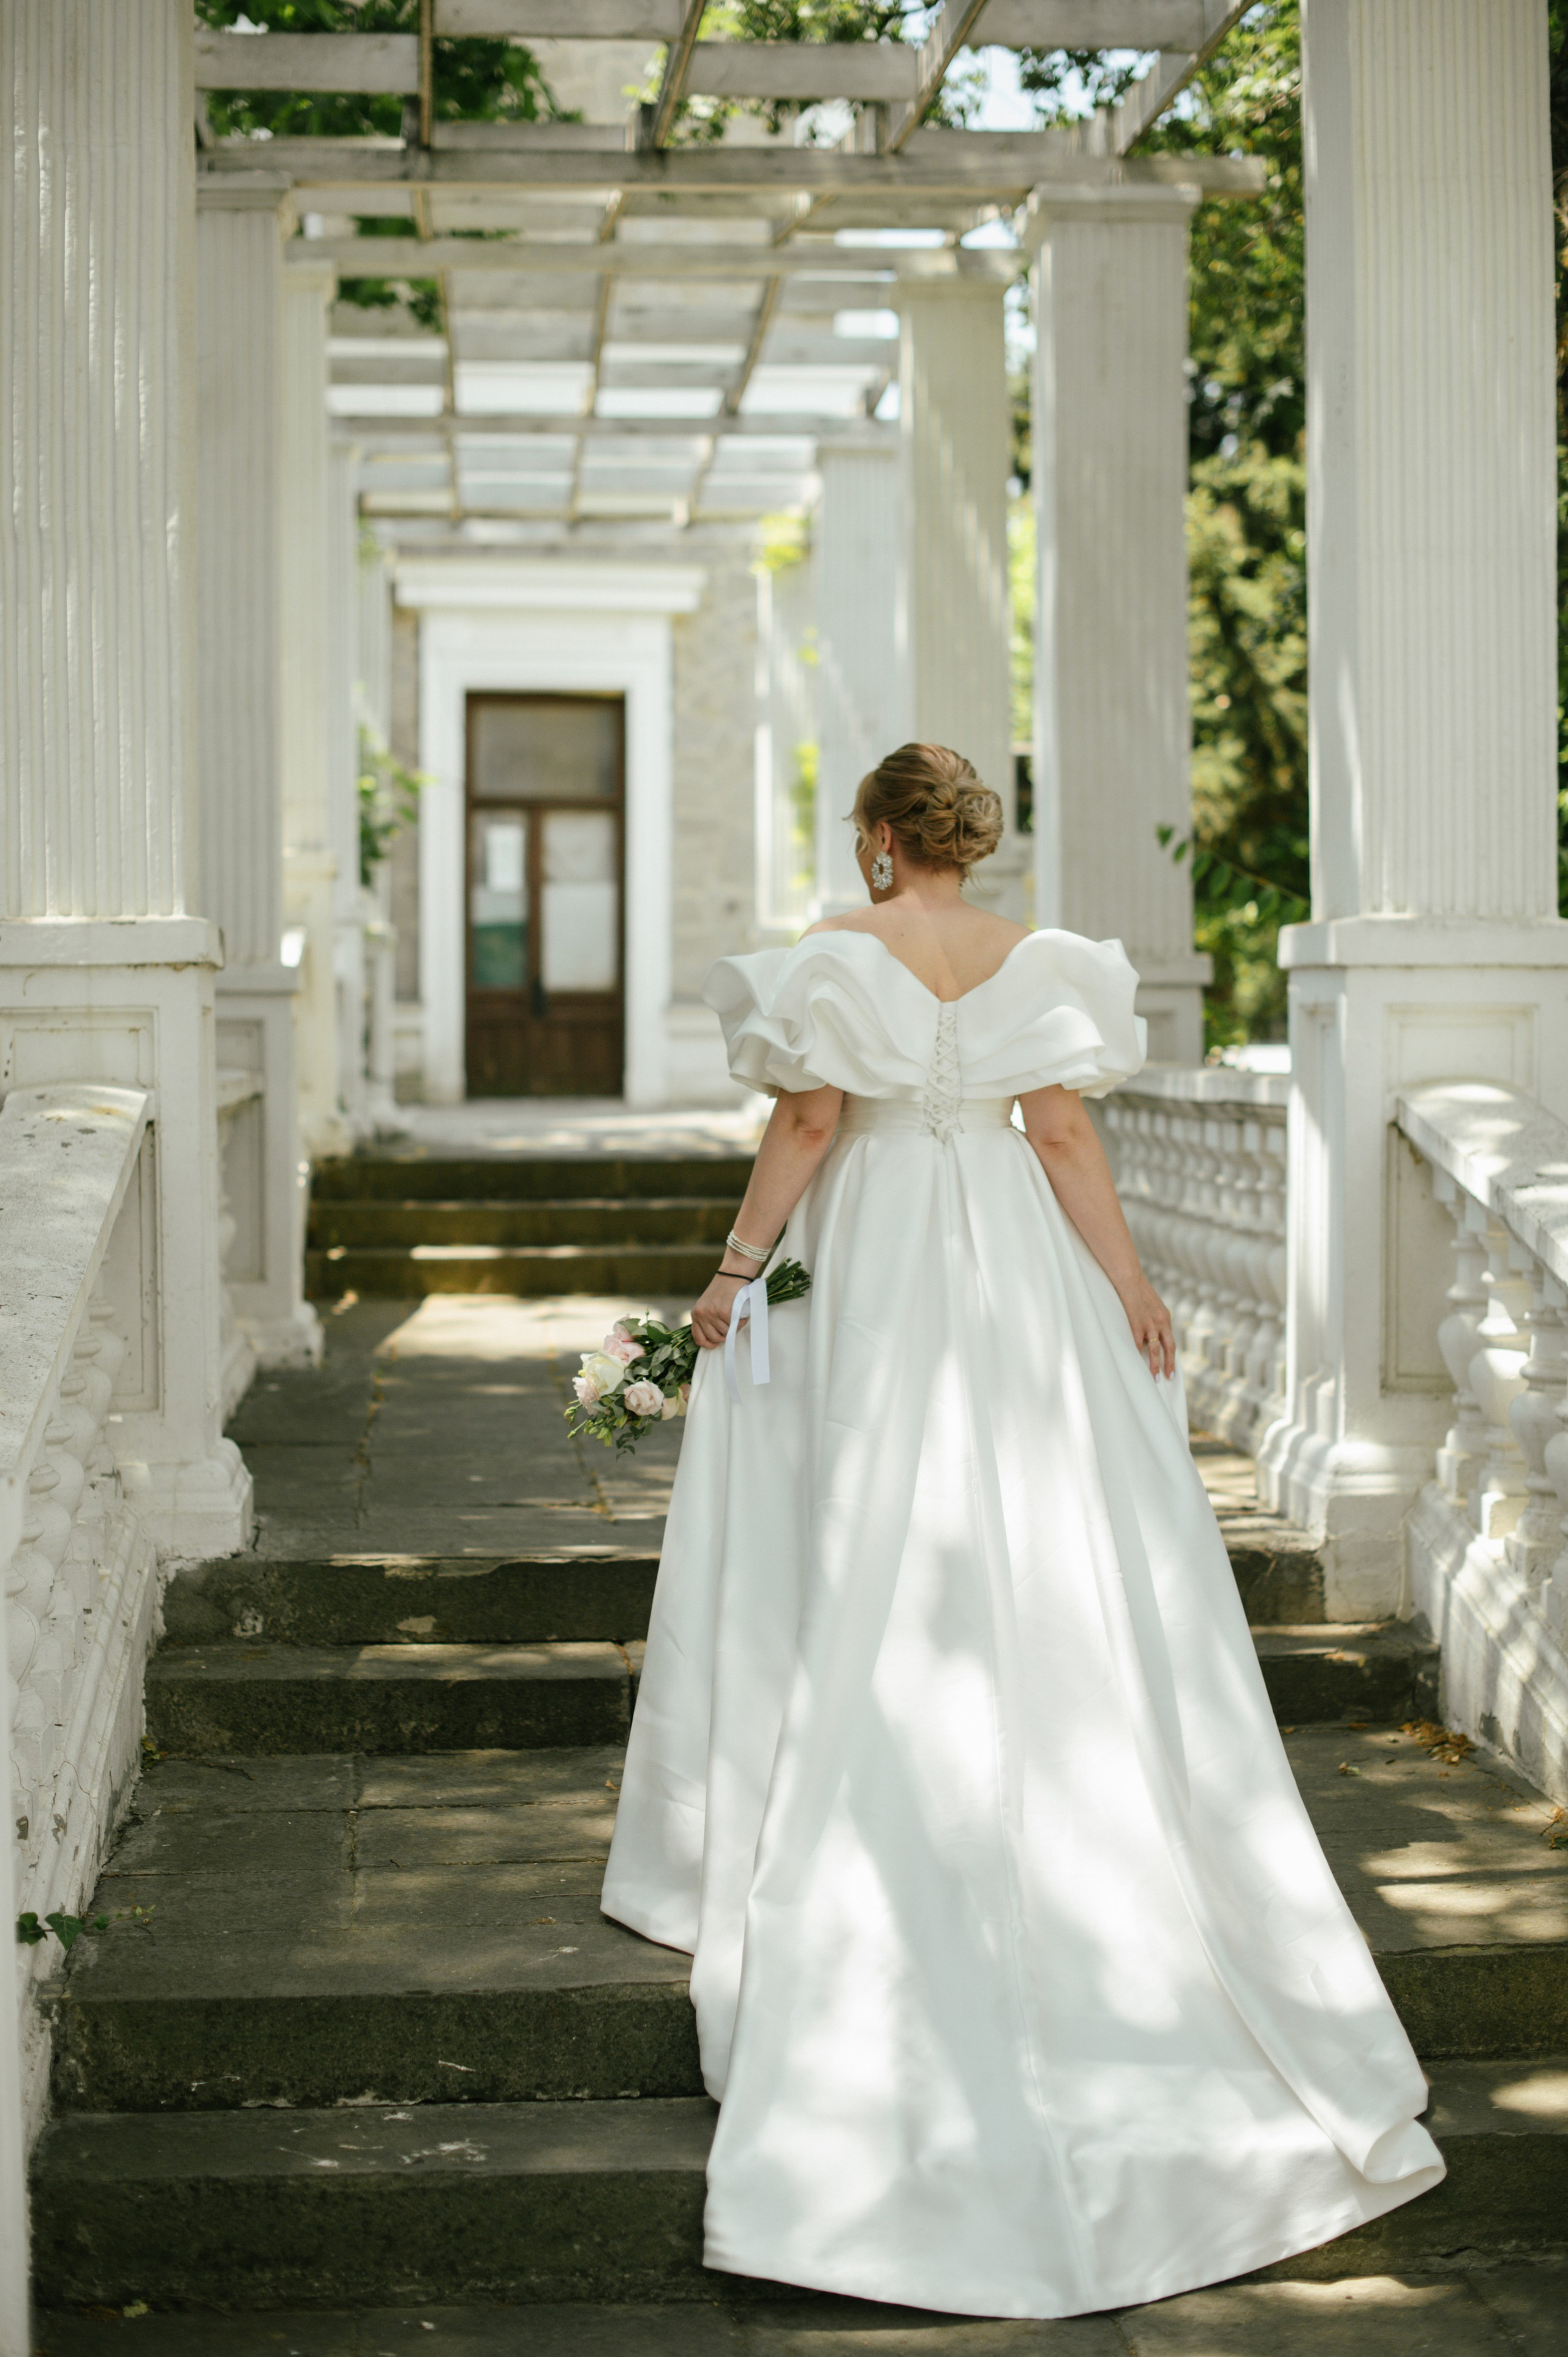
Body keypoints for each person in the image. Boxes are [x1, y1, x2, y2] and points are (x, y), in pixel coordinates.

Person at [601, 742, 1443, 2320]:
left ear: (877, 836)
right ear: (967, 842)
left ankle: (874, 1770)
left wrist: (731, 1272)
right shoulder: (1034, 960)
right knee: (1020, 1508)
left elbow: (808, 1126)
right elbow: (1059, 1136)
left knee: (870, 1517)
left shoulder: (835, 952)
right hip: (1008, 1260)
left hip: (875, 1254)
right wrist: (1128, 1284)